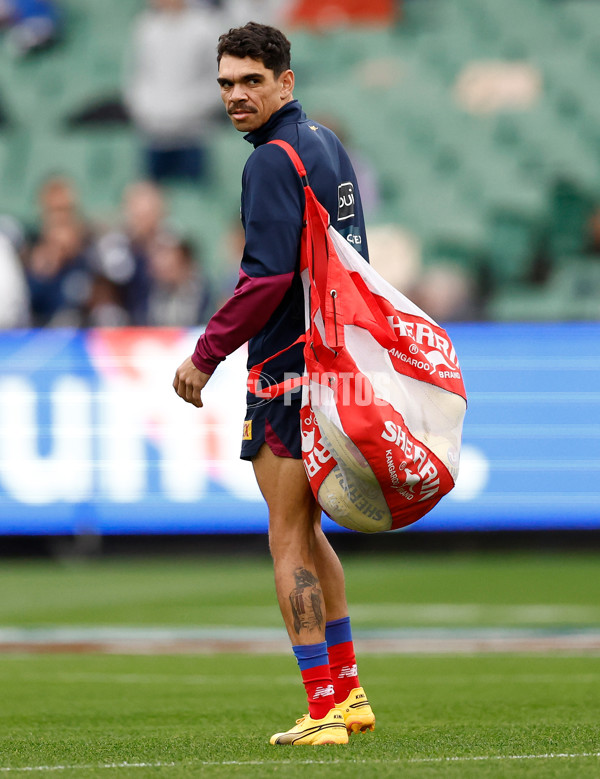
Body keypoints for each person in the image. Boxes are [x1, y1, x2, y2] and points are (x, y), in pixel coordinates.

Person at [173, 22, 375, 745]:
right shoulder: (324, 143)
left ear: (285, 82)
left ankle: (322, 704)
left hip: (287, 367)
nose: (235, 95)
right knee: (310, 530)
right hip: (331, 362)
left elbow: (267, 276)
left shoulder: (268, 161)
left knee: (287, 532)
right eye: (226, 82)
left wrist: (207, 351)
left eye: (251, 81)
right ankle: (347, 692)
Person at [124, 0, 224, 183]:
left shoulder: (206, 26)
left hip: (194, 135)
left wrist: (189, 108)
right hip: (153, 136)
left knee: (198, 202)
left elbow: (218, 78)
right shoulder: (145, 26)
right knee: (151, 199)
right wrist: (147, 111)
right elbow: (137, 77)